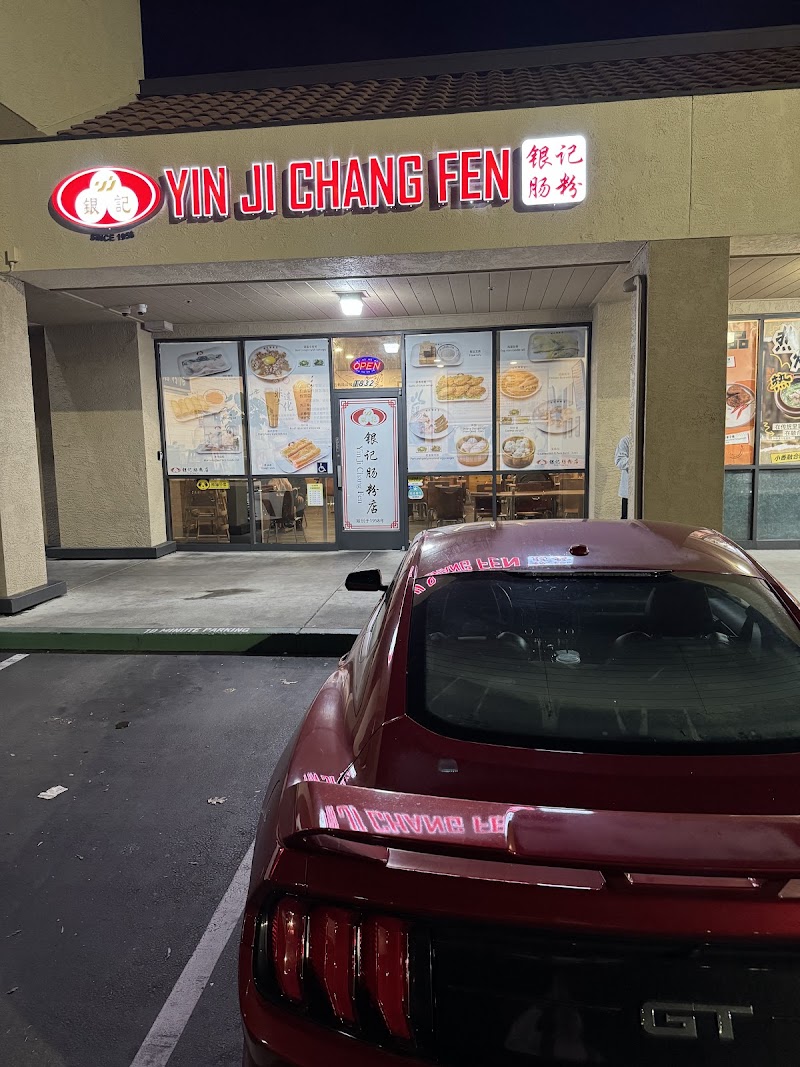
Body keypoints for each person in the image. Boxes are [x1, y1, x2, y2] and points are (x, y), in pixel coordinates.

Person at [615, 434, 630, 519]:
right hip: (628, 492)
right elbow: (619, 461)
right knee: (626, 520)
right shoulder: (625, 441)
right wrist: (635, 459)